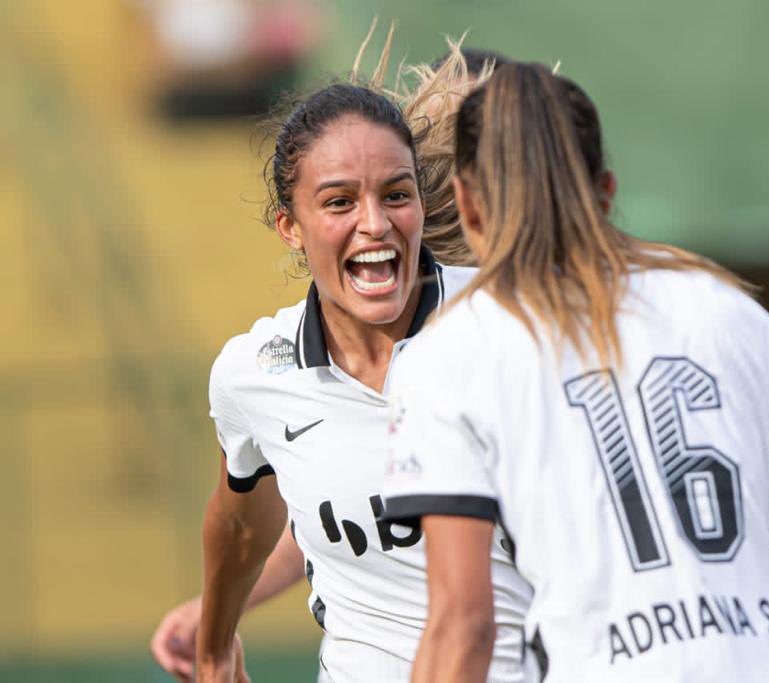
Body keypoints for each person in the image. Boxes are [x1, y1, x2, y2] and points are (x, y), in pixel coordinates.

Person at [381, 63, 769, 683]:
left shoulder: (450, 356)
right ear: (605, 190)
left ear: (465, 202)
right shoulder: (730, 311)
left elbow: (465, 625)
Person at [149, 46, 512, 683]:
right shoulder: (255, 375)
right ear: (291, 227)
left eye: (396, 195)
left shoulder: (516, 325)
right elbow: (244, 524)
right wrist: (213, 639)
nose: (374, 223)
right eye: (340, 202)